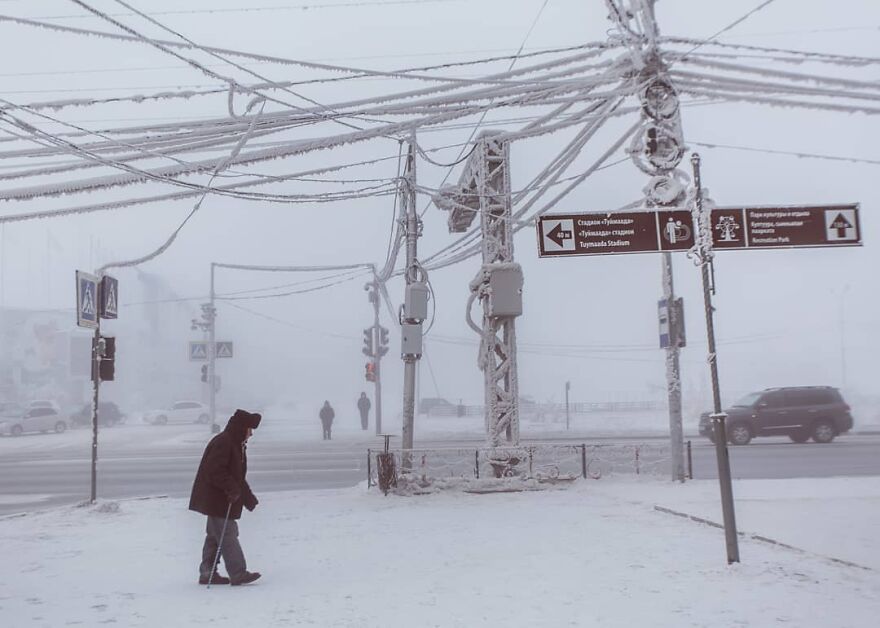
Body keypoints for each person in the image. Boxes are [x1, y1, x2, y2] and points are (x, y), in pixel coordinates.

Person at [189, 408, 262, 586]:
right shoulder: (225, 442)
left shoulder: (235, 444)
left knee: (215, 536)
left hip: (219, 498)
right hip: (217, 499)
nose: (251, 434)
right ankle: (238, 573)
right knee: (228, 534)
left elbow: (237, 477)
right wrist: (231, 489)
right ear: (241, 428)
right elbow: (215, 470)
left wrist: (247, 498)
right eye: (249, 429)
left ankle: (207, 573)